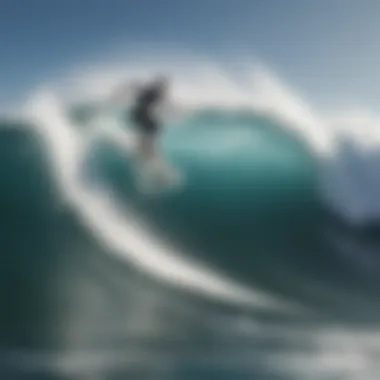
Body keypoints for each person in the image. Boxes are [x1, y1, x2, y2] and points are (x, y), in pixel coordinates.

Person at [129, 76, 169, 164]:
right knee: (153, 129)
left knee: (152, 129)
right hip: (139, 114)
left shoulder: (153, 91)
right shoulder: (154, 92)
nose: (166, 89)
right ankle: (147, 153)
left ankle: (142, 151)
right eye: (164, 86)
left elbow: (137, 88)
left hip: (138, 114)